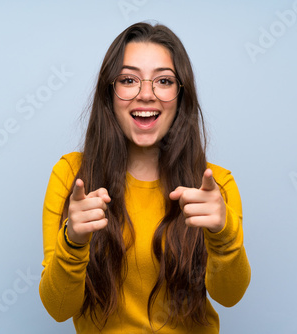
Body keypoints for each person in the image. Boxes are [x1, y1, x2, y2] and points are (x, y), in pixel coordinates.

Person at [39, 22, 251, 333]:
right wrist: (74, 241)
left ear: (181, 95)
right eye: (129, 80)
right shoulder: (71, 176)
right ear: (109, 92)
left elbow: (230, 297)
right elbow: (58, 309)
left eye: (164, 81)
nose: (147, 94)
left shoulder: (215, 185)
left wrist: (223, 233)